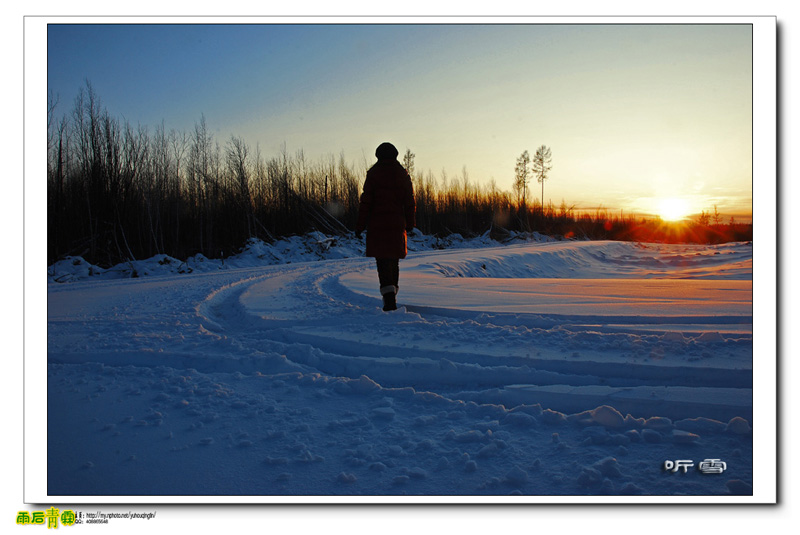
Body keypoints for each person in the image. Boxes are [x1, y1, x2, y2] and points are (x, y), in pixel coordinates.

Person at [355, 142, 416, 311]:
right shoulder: (402, 174)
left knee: (382, 261)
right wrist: (410, 224)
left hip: (377, 225)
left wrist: (360, 226)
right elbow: (409, 201)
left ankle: (389, 299)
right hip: (397, 225)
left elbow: (365, 202)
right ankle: (391, 296)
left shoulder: (373, 174)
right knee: (393, 261)